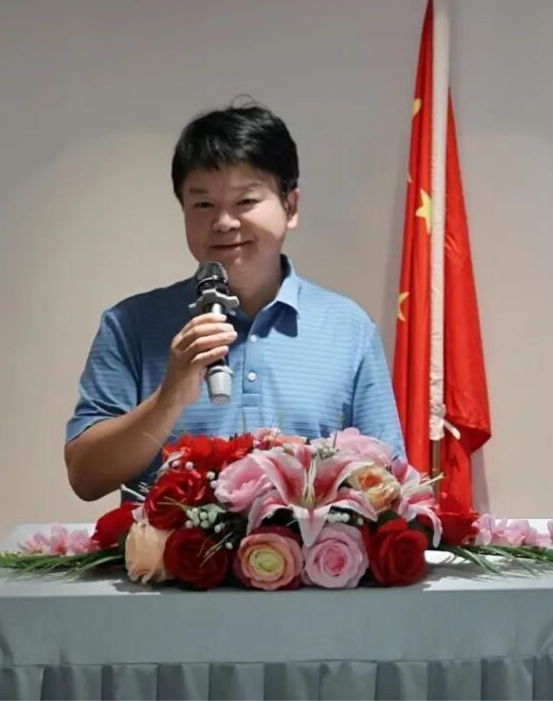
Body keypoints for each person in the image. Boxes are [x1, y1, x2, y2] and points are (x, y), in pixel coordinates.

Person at [64, 101, 405, 502]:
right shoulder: (131, 324)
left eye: (245, 201)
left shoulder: (348, 328)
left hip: (312, 545)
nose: (223, 222)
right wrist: (168, 397)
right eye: (203, 204)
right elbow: (86, 478)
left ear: (290, 207)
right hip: (165, 546)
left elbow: (391, 483)